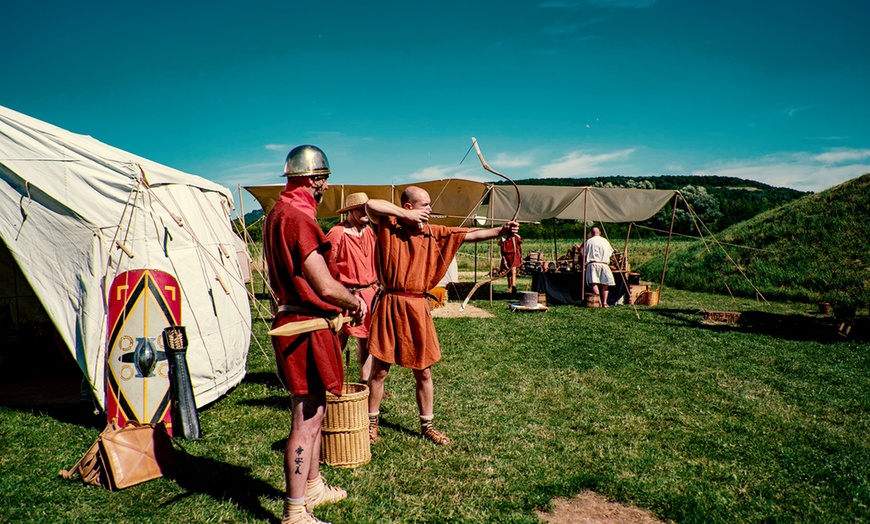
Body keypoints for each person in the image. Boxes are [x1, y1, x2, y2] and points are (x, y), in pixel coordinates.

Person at [364, 186, 519, 445]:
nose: (429, 209)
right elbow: (371, 205)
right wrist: (404, 215)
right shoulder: (389, 224)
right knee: (379, 370)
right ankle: (371, 424)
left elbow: (468, 234)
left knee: (423, 371)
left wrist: (500, 231)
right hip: (391, 303)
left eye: (429, 204)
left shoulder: (432, 232)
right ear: (408, 206)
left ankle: (427, 426)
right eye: (423, 205)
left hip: (417, 307)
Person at [263, 145, 367, 524]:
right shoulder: (297, 217)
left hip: (299, 324)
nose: (324, 189)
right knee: (305, 419)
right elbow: (323, 285)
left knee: (315, 410)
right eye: (322, 181)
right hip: (303, 327)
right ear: (314, 180)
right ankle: (294, 511)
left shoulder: (278, 212)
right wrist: (353, 300)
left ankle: (313, 486)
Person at [324, 192, 378, 384]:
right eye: (362, 209)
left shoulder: (369, 231)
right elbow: (325, 266)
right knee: (339, 338)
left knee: (367, 341)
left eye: (368, 209)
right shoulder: (337, 233)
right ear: (350, 211)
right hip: (346, 294)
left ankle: (366, 384)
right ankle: (332, 385)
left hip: (370, 293)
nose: (366, 213)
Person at [583, 227, 615, 308]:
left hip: (593, 263)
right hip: (603, 263)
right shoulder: (605, 241)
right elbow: (610, 252)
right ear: (600, 233)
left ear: (591, 233)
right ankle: (604, 303)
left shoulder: (589, 241)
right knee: (605, 284)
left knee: (594, 283)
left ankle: (599, 302)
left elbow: (583, 253)